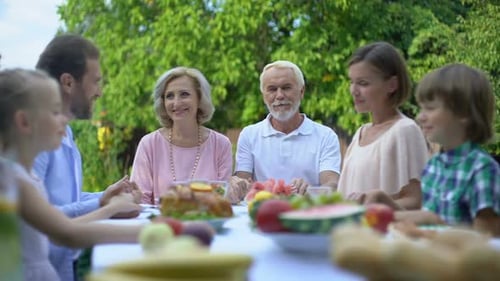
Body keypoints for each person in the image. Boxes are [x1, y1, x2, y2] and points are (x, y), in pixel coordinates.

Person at [0, 68, 143, 281]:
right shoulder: (13, 179)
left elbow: (64, 228)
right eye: (55, 112)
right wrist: (162, 232)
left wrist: (105, 203)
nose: (65, 120)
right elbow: (68, 234)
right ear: (24, 122)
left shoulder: (24, 176)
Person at [33, 34, 142, 281]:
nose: (100, 93)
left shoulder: (66, 132)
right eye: (95, 82)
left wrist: (102, 197)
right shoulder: (35, 138)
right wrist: (107, 207)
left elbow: (58, 199)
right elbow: (46, 218)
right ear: (69, 82)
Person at [395, 63, 500, 236]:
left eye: (430, 108)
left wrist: (428, 233)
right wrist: (378, 215)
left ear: (464, 113)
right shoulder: (434, 165)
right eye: (421, 108)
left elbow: (487, 242)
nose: (420, 116)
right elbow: (429, 216)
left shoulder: (482, 170)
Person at [230, 60, 342, 203]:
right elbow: (242, 186)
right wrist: (235, 184)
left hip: (306, 215)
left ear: (302, 92)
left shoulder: (326, 136)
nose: (280, 95)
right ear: (264, 96)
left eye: (286, 87)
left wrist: (311, 191)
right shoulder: (249, 135)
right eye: (272, 89)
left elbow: (332, 185)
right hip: (262, 214)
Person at [337, 42, 428, 211]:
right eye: (352, 82)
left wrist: (380, 205)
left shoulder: (405, 130)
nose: (354, 90)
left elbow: (417, 201)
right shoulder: (359, 134)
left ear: (392, 85)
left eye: (363, 83)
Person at [130, 67, 233, 204]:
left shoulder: (221, 145)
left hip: (206, 222)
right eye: (169, 96)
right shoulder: (149, 144)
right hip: (161, 223)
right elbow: (140, 200)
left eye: (184, 94)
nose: (176, 103)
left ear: (200, 99)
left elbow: (221, 200)